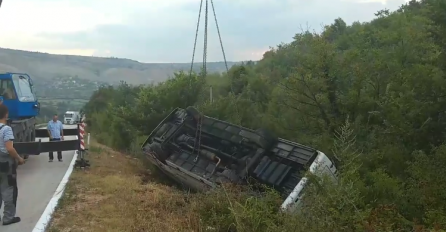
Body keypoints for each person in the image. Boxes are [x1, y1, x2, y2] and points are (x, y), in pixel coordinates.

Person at [0, 104, 24, 225]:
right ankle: (8, 217)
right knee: (9, 189)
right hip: (5, 163)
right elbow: (9, 148)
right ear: (6, 114)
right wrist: (19, 158)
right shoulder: (6, 129)